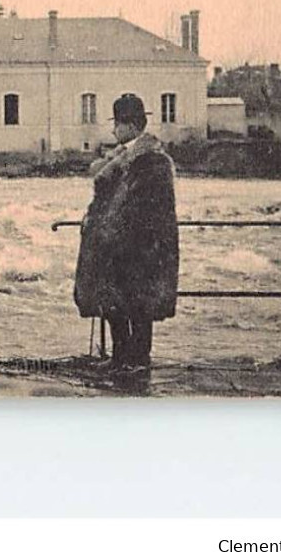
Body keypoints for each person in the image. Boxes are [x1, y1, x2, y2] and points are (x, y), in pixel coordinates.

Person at [73, 93, 180, 374]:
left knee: (139, 307)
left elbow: (144, 210)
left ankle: (138, 360)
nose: (113, 130)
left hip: (140, 249)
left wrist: (113, 233)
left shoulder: (151, 162)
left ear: (132, 127)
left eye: (118, 124)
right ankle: (122, 358)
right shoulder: (124, 159)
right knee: (114, 303)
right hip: (117, 247)